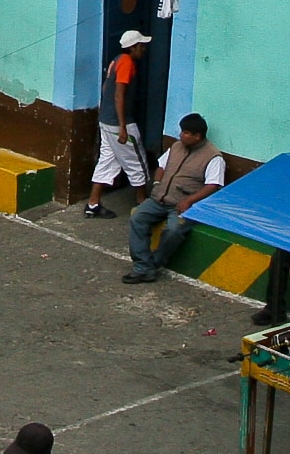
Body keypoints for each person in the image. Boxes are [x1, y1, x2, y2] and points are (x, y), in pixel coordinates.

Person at [122, 112, 224, 283]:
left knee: (174, 230)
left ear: (197, 136)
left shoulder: (213, 157)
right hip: (159, 198)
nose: (181, 135)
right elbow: (161, 165)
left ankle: (152, 265)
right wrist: (156, 184)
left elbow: (214, 185)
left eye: (185, 133)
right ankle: (142, 266)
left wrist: (189, 201)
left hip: (182, 205)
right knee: (137, 218)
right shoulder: (177, 147)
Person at [84, 31, 151, 217]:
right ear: (132, 47)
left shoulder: (116, 60)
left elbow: (107, 87)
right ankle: (142, 201)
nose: (143, 49)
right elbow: (118, 94)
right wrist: (122, 126)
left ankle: (92, 204)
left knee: (107, 162)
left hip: (106, 121)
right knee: (137, 161)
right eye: (141, 45)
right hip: (119, 123)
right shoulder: (127, 63)